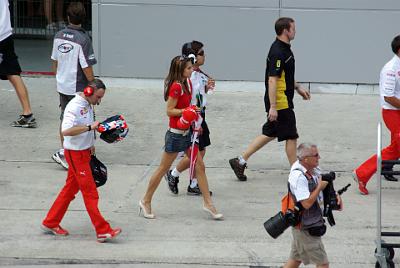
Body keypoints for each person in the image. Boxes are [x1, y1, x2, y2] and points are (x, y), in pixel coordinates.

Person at [139, 55, 223, 220]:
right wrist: (186, 112)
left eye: (191, 67)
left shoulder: (188, 83)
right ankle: (145, 200)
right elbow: (169, 110)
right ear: (181, 70)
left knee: (200, 166)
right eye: (189, 68)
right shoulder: (176, 87)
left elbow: (189, 104)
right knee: (163, 168)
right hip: (176, 134)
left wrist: (194, 116)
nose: (192, 70)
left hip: (189, 132)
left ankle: (208, 203)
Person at [229, 17, 310, 181]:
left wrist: (297, 87)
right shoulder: (278, 52)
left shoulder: (284, 49)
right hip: (280, 101)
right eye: (293, 28)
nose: (295, 31)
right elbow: (272, 79)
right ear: (285, 30)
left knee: (271, 131)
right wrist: (273, 106)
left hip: (282, 99)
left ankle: (240, 161)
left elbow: (284, 76)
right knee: (291, 135)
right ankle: (297, 173)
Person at [41, 79, 121, 243]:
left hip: (83, 153)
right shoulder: (74, 106)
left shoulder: (87, 103)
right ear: (89, 91)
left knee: (69, 190)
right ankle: (102, 230)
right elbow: (66, 130)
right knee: (90, 193)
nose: (99, 101)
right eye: (98, 97)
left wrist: (91, 144)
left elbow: (87, 124)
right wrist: (89, 128)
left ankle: (51, 222)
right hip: (76, 155)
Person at [165, 41, 216, 195]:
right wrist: (194, 121)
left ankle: (189, 181)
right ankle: (177, 176)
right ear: (192, 56)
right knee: (197, 152)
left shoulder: (198, 73)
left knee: (201, 150)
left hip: (199, 114)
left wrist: (207, 87)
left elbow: (198, 94)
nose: (204, 56)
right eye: (201, 53)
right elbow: (190, 99)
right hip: (194, 116)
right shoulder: (190, 74)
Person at [51, 2, 96, 170]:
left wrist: (59, 78)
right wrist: (93, 84)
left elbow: (54, 61)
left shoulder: (58, 36)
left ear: (68, 17)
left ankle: (67, 151)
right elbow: (86, 66)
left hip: (62, 85)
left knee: (65, 118)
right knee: (84, 117)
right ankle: (69, 154)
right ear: (84, 18)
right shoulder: (84, 39)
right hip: (78, 88)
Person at [353, 35, 400, 194]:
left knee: (395, 149)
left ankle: (362, 173)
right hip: (392, 112)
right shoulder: (390, 69)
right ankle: (362, 173)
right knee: (395, 149)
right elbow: (389, 97)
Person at [284, 143, 343, 268]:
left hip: (304, 227)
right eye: (316, 155)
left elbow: (321, 182)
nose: (319, 157)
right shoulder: (299, 177)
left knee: (295, 260)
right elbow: (306, 203)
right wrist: (318, 188)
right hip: (305, 228)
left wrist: (335, 195)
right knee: (323, 264)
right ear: (305, 159)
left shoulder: (313, 169)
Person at [0, 0, 37, 128]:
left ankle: (28, 114)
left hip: (1, 36)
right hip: (6, 35)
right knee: (13, 73)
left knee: (13, 73)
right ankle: (28, 114)